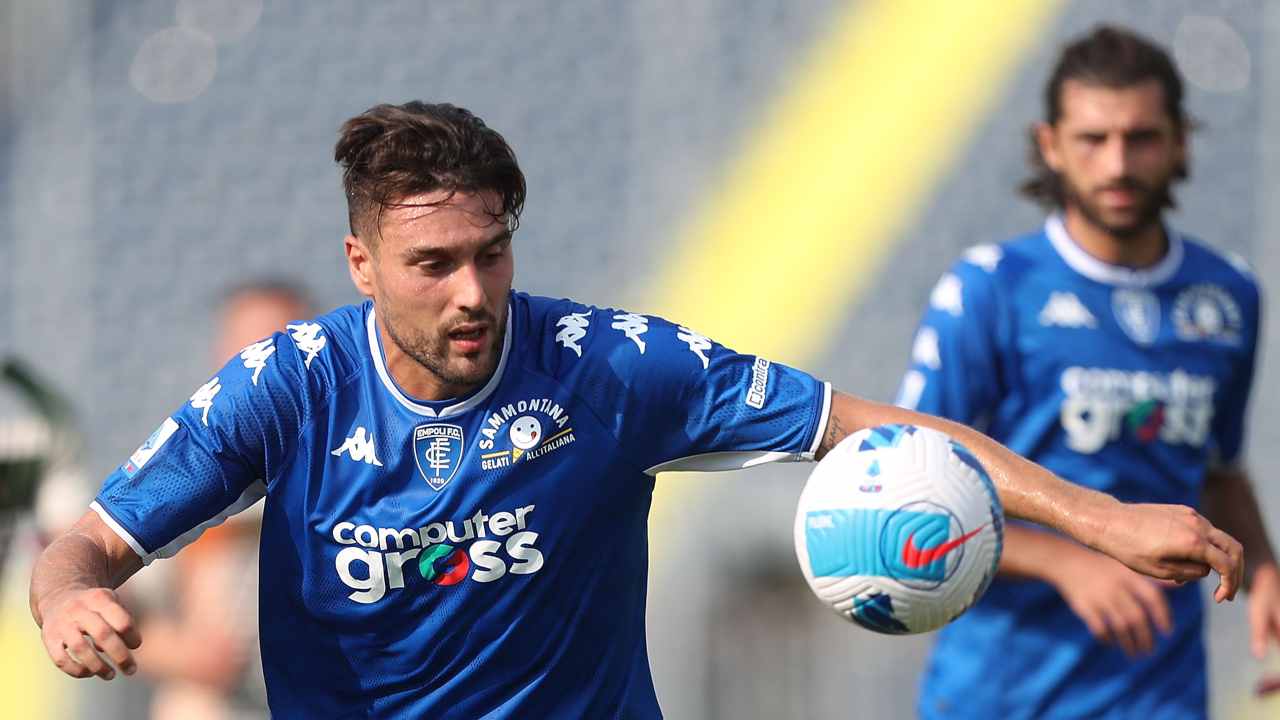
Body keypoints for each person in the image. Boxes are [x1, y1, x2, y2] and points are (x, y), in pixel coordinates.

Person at [29, 101, 1244, 719]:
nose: (472, 293)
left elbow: (873, 427)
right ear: (360, 263)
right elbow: (92, 539)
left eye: (490, 255)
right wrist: (72, 593)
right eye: (432, 264)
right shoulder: (285, 387)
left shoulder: (610, 367)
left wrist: (1104, 517)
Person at [895, 25, 1280, 720]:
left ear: (1181, 141)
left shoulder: (1228, 298)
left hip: (1157, 689)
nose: (1117, 165)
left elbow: (1219, 471)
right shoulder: (991, 291)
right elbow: (908, 488)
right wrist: (1065, 558)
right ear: (1050, 145)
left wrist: (1267, 572)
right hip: (1003, 689)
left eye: (1141, 138)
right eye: (1092, 140)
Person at [134, 281, 311, 720]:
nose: (266, 370)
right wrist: (181, 653)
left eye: (282, 349)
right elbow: (115, 603)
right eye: (250, 351)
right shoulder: (183, 473)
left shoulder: (354, 465)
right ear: (222, 359)